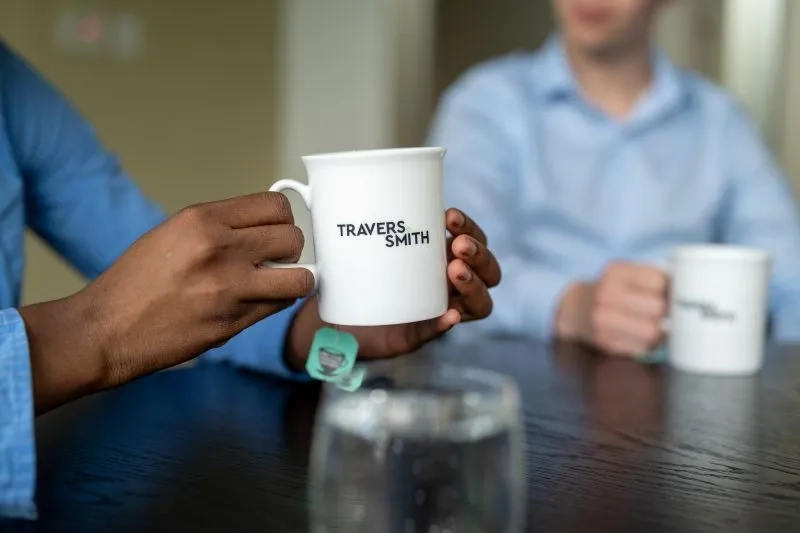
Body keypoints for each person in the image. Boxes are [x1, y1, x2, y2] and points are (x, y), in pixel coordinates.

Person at [0, 42, 502, 519]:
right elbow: (135, 305)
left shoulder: (12, 90)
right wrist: (94, 334)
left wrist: (337, 333)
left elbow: (181, 292)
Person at [429, 0, 800, 354]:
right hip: (518, 389)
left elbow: (790, 280)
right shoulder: (485, 104)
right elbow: (450, 269)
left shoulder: (722, 121)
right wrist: (567, 306)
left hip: (683, 389)